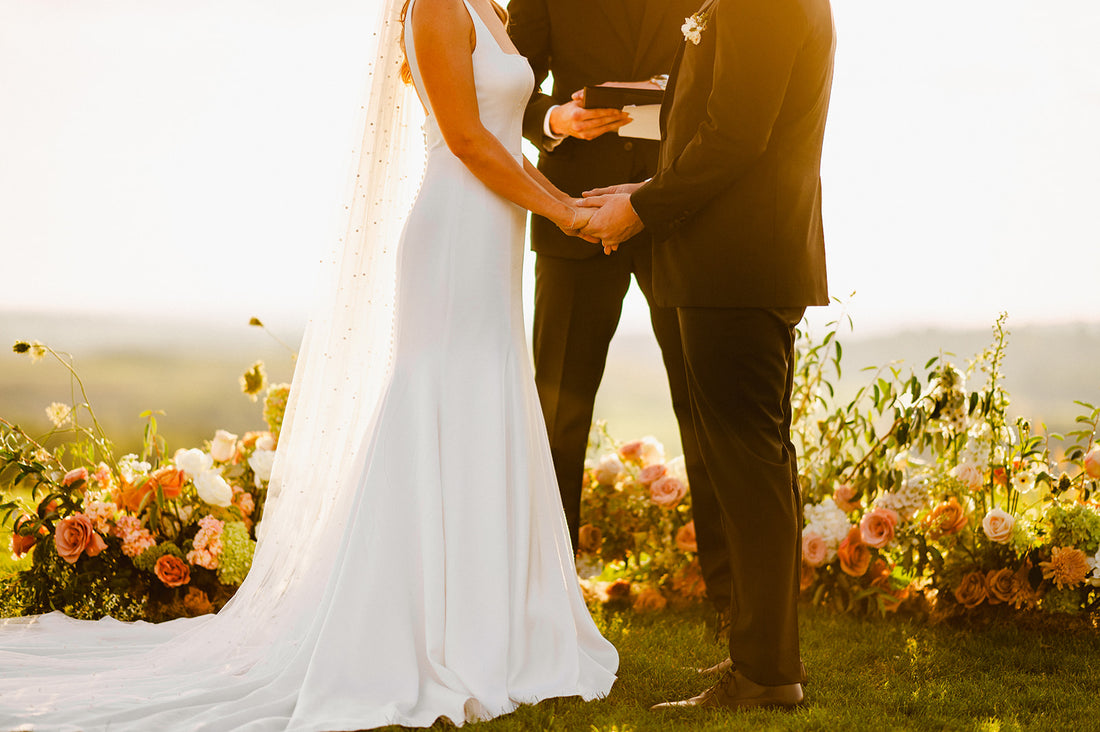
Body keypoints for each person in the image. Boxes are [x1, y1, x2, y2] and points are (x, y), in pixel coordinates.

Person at [0, 0, 618, 728]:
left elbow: (502, 130)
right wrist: (566, 213)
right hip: (456, 232)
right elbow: (469, 142)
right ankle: (421, 629)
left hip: (494, 233)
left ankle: (488, 622)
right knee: (445, 407)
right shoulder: (437, 8)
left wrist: (561, 198)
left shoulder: (488, 5)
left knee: (485, 409)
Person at [581, 0, 836, 711]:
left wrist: (642, 208)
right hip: (734, 260)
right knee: (753, 466)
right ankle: (762, 660)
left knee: (749, 467)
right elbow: (713, 129)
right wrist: (646, 190)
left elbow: (735, 138)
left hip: (736, 263)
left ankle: (765, 675)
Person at [507, 0, 734, 624]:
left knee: (703, 403)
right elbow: (510, 88)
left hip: (679, 211)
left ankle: (733, 597)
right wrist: (557, 118)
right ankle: (544, 598)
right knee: (558, 411)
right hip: (574, 213)